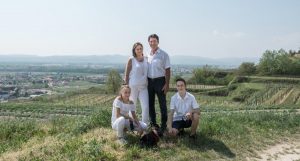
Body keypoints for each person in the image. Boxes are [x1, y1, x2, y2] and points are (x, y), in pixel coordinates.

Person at [147, 34, 171, 133]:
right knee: (150, 104)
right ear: (149, 42)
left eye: (154, 41)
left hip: (160, 81)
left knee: (162, 104)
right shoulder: (147, 54)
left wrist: (167, 84)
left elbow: (168, 70)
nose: (153, 43)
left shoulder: (164, 54)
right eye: (151, 41)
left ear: (158, 42)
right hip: (149, 82)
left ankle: (163, 125)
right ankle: (153, 124)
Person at [124, 42, 149, 124]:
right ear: (134, 50)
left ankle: (144, 125)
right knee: (132, 106)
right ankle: (132, 124)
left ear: (142, 49)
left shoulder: (146, 58)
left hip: (143, 87)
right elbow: (127, 74)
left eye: (140, 48)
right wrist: (126, 86)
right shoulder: (131, 59)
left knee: (145, 107)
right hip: (133, 87)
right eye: (137, 49)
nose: (139, 50)